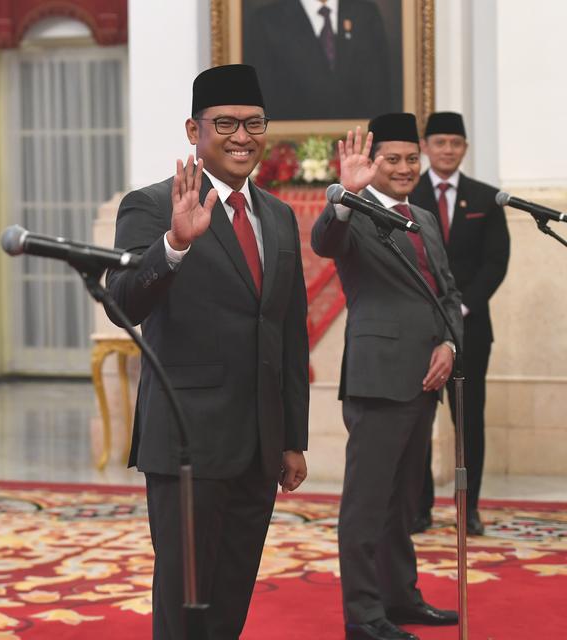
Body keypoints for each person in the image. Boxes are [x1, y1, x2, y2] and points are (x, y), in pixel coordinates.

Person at [104, 64, 310, 639]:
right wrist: (173, 245)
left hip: (259, 446)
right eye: (225, 124)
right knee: (184, 605)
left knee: (230, 599)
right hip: (188, 444)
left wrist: (293, 437)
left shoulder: (281, 216)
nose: (242, 137)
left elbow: (289, 333)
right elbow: (122, 303)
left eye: (254, 123)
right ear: (194, 130)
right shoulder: (150, 205)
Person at [310, 114, 462, 640]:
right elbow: (325, 242)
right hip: (378, 380)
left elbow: (447, 293)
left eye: (409, 160)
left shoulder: (422, 214)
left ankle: (400, 597)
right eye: (390, 160)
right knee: (367, 505)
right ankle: (364, 615)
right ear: (371, 164)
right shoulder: (352, 211)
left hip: (427, 379)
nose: (402, 169)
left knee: (404, 504)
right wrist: (342, 196)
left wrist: (448, 345)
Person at [409, 111, 510, 536]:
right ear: (427, 148)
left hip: (471, 328)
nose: (448, 149)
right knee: (414, 422)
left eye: (455, 143)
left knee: (469, 421)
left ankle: (468, 509)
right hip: (418, 329)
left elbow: (495, 263)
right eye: (440, 142)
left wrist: (461, 307)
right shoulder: (407, 195)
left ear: (465, 148)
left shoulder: (486, 199)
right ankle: (418, 508)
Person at [243, 0, 395, 120]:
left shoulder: (366, 15)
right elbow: (264, 97)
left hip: (361, 144)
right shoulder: (267, 21)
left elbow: (381, 92)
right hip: (290, 147)